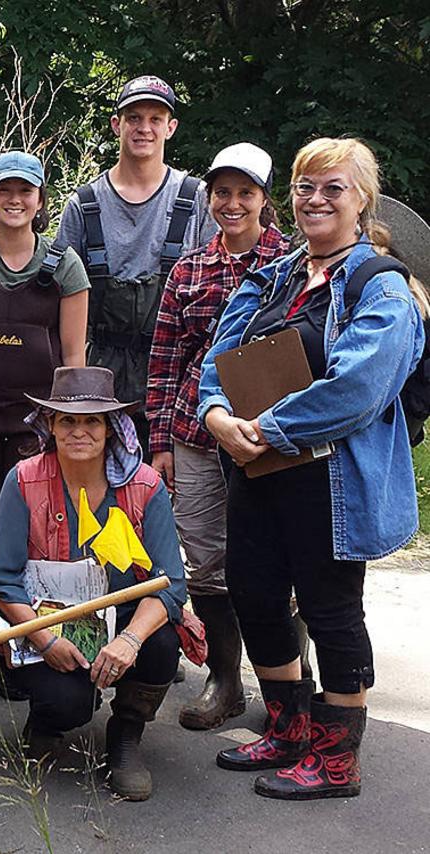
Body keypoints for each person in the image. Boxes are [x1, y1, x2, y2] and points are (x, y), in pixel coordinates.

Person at [199, 137, 425, 800]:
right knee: (253, 593)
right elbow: (220, 356)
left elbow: (358, 388)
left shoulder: (378, 285)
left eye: (333, 187)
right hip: (256, 470)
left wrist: (264, 431)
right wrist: (217, 417)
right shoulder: (276, 274)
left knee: (330, 611)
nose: (316, 199)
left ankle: (336, 762)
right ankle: (288, 728)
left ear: (362, 200)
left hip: (331, 479)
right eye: (305, 187)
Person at [0, 366, 186, 801]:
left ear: (111, 429)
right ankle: (47, 721)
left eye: (92, 421)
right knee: (65, 701)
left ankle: (126, 734)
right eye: (68, 420)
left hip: (124, 619)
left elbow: (170, 585)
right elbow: (1, 579)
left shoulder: (146, 487)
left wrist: (130, 640)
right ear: (51, 426)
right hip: (50, 619)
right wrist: (43, 640)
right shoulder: (22, 481)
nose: (80, 431)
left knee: (162, 643)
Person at [144, 142, 288, 731]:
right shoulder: (190, 269)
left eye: (244, 193)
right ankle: (225, 681)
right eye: (221, 192)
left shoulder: (294, 263)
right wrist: (159, 443)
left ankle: (287, 687)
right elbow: (165, 358)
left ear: (263, 199)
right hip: (195, 435)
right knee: (204, 562)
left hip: (272, 436)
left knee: (278, 558)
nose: (232, 203)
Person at [0, 150, 90, 697]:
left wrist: (69, 426)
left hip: (36, 422)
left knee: (34, 532)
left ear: (40, 200)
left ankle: (24, 645)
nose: (14, 200)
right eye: (4, 190)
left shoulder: (64, 266)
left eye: (25, 191)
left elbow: (75, 354)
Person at [54, 75, 215, 449]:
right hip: (98, 376)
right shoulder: (83, 205)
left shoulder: (198, 199)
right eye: (134, 117)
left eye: (155, 119)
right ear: (117, 125)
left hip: (177, 375)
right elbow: (59, 302)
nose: (144, 128)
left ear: (170, 128)